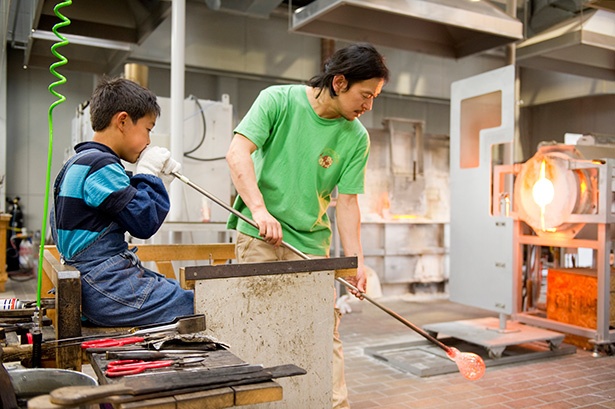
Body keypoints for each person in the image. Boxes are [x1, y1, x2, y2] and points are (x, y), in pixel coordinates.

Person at [225, 43, 389, 408]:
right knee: (260, 331)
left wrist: (355, 261)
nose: (369, 106)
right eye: (366, 95)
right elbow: (237, 153)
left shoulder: (357, 137)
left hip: (311, 247)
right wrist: (259, 210)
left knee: (321, 335)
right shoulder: (278, 101)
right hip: (260, 237)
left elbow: (347, 203)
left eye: (375, 96)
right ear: (340, 82)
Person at [51, 77, 194, 327]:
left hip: (93, 284)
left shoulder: (79, 163)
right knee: (194, 303)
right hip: (103, 285)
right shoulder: (101, 166)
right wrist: (148, 173)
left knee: (174, 287)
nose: (149, 141)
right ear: (123, 121)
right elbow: (143, 222)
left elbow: (125, 201)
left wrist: (159, 181)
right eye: (148, 129)